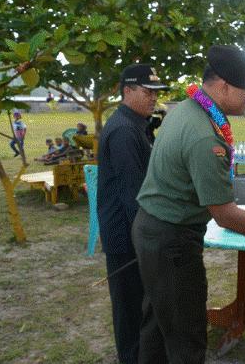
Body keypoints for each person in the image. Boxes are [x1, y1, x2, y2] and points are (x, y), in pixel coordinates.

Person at [132, 45, 245, 363]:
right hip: (171, 240)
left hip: (153, 230)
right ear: (224, 86)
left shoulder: (186, 110)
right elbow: (225, 214)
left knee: (158, 324)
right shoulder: (205, 135)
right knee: (186, 334)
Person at [97, 63, 170, 364]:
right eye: (147, 91)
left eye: (155, 92)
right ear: (127, 91)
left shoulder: (135, 125)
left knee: (142, 305)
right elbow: (133, 196)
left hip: (132, 232)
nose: (153, 98)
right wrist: (148, 242)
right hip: (126, 236)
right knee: (130, 310)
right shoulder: (124, 131)